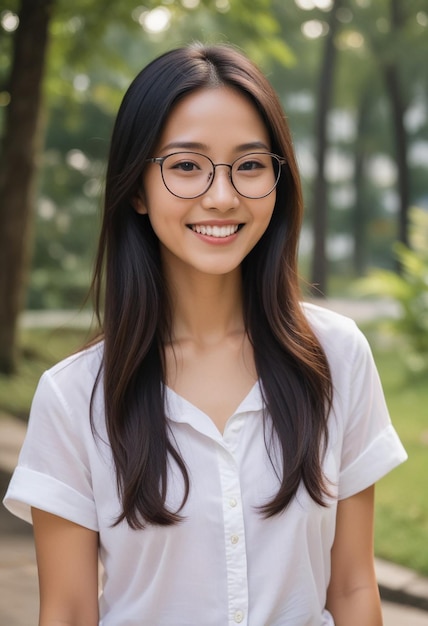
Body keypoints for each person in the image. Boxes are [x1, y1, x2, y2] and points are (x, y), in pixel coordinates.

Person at [4, 43, 407, 626]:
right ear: (136, 189)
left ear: (277, 180)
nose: (222, 196)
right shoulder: (74, 396)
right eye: (186, 165)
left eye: (249, 165)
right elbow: (66, 612)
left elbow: (350, 587)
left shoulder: (336, 356)